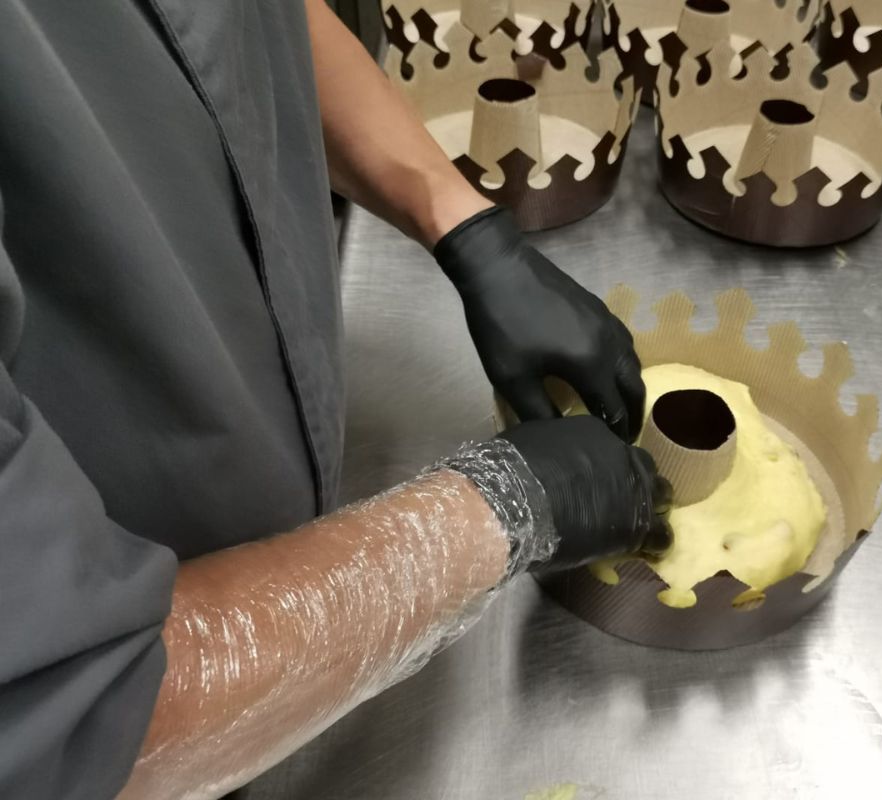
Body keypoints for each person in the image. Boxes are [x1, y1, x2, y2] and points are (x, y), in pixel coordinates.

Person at [0, 2, 671, 798]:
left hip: (295, 564)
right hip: (176, 716)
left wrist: (463, 224)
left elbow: (257, 28)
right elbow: (63, 720)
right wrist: (509, 505)